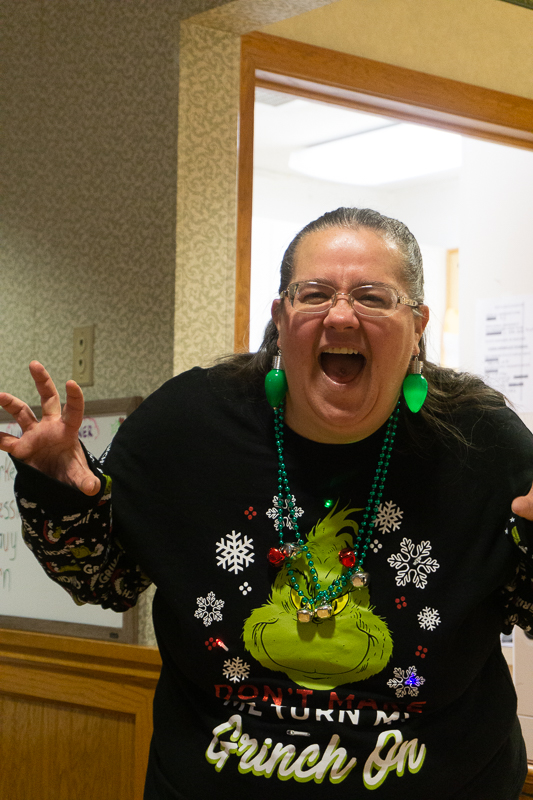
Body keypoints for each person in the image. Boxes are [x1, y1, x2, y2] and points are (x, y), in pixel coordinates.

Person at [1, 207, 533, 800]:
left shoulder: (482, 442)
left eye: (373, 297)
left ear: (417, 325)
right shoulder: (187, 426)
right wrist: (59, 491)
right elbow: (104, 580)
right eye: (315, 294)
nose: (340, 315)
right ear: (280, 318)